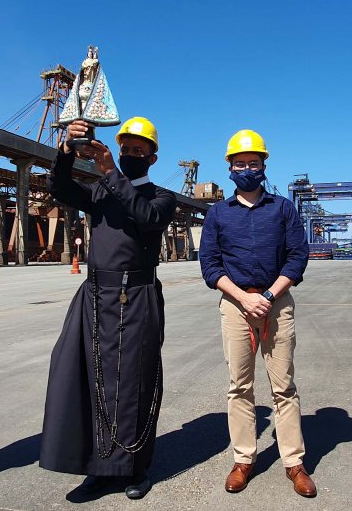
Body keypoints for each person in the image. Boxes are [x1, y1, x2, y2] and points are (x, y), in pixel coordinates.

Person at [39, 117, 176, 500]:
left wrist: (112, 173)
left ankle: (135, 467)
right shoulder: (98, 192)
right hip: (97, 295)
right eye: (125, 149)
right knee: (89, 377)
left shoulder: (161, 197)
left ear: (152, 158)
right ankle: (99, 467)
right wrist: (67, 150)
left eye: (138, 151)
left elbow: (145, 218)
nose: (130, 155)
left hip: (137, 293)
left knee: (134, 381)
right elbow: (59, 187)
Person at [198, 130, 316, 497]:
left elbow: (298, 257)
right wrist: (244, 298)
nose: (247, 168)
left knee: (284, 387)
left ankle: (294, 462)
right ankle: (243, 459)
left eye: (253, 162)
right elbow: (210, 264)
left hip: (276, 304)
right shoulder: (218, 213)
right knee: (239, 387)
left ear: (264, 165)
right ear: (230, 168)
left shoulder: (282, 208)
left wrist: (267, 295)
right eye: (239, 163)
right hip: (236, 306)